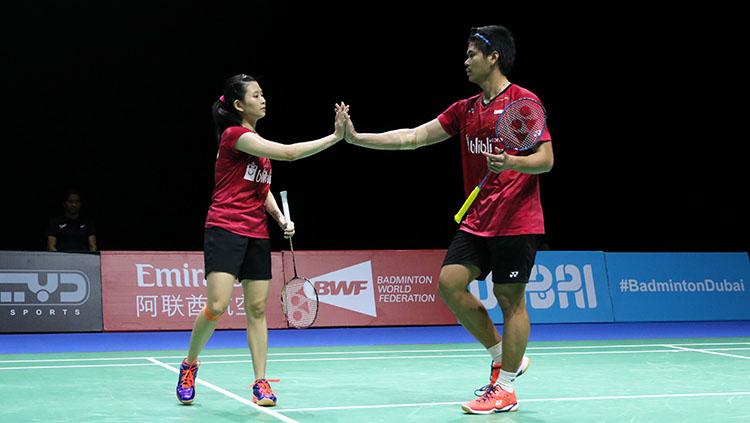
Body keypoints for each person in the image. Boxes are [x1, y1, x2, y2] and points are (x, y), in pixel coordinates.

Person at [344, 25, 553, 414]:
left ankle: (506, 388)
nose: (466, 60)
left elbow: (546, 160)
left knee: (511, 301)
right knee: (449, 284)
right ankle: (502, 357)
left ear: (494, 57)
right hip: (478, 218)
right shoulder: (466, 109)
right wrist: (358, 138)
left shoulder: (523, 103)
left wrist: (512, 162)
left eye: (472, 53)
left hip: (516, 219)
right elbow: (412, 137)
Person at [176, 73, 348, 406]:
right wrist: (336, 137)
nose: (263, 99)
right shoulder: (234, 136)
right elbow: (291, 153)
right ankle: (189, 364)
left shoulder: (257, 147)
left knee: (256, 309)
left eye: (263, 93)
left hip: (256, 232)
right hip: (225, 228)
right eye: (256, 95)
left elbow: (261, 190)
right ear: (239, 105)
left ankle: (260, 382)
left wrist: (281, 218)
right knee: (217, 306)